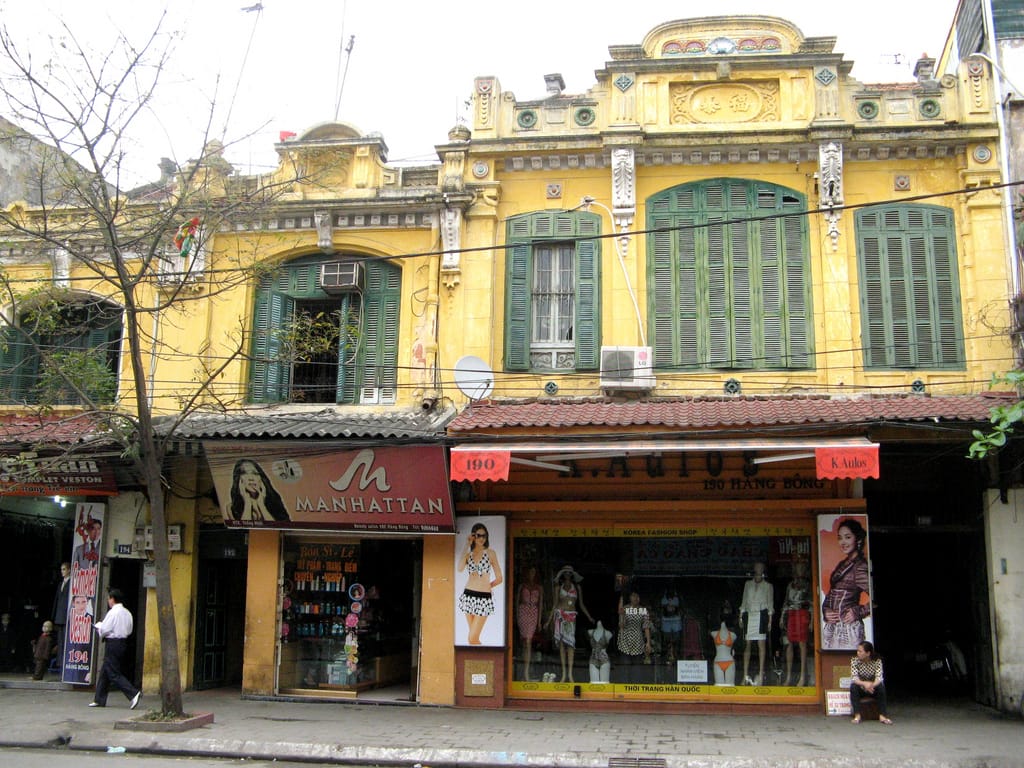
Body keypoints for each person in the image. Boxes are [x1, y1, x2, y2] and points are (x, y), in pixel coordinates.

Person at [822, 518, 870, 650]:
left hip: (849, 630)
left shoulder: (859, 567)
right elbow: (831, 593)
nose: (843, 542)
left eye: (847, 537)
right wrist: (826, 610)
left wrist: (858, 611)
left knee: (849, 663)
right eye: (840, 538)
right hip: (833, 628)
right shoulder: (842, 564)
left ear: (858, 539)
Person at [90, 589, 142, 710]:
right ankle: (99, 699)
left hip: (113, 643)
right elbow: (129, 629)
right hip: (122, 642)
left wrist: (98, 627)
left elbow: (105, 629)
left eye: (109, 598)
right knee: (105, 671)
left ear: (112, 599)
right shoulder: (127, 613)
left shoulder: (113, 612)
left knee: (113, 672)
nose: (108, 601)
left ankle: (133, 693)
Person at [544, 565, 593, 683]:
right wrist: (549, 621)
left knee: (571, 645)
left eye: (569, 573)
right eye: (565, 573)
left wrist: (589, 616)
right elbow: (555, 604)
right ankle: (563, 674)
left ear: (572, 575)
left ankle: (570, 674)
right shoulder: (558, 587)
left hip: (571, 616)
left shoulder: (577, 587)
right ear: (562, 575)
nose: (567, 575)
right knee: (562, 646)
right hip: (560, 615)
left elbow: (580, 604)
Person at [456, 523, 503, 645]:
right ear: (473, 536)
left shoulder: (491, 553)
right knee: (472, 639)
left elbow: (499, 578)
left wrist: (489, 586)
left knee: (472, 638)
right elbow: (460, 568)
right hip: (468, 596)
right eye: (478, 535)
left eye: (484, 536)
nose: (481, 538)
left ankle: (482, 659)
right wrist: (467, 544)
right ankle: (476, 660)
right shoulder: (468, 554)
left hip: (483, 598)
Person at [739, 561, 774, 685]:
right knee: (747, 645)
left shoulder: (768, 586)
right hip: (749, 614)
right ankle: (745, 675)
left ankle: (760, 674)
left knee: (761, 644)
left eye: (761, 567)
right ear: (754, 568)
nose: (758, 569)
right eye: (757, 567)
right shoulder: (748, 584)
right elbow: (744, 601)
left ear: (763, 569)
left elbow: (770, 604)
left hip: (761, 615)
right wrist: (740, 616)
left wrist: (770, 620)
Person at [780, 560, 811, 686]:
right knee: (789, 644)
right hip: (791, 614)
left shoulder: (808, 584)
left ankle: (803, 677)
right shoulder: (790, 585)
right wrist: (782, 617)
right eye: (798, 568)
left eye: (802, 568)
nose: (800, 570)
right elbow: (786, 601)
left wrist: (812, 621)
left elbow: (811, 603)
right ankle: (788, 677)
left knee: (802, 645)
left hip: (802, 614)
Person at [850, 640, 893, 725]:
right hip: (861, 687)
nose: (858, 653)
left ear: (868, 653)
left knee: (881, 687)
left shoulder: (877, 661)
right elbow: (854, 678)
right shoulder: (854, 660)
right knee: (853, 687)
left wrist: (871, 685)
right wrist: (865, 684)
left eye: (860, 651)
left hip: (873, 687)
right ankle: (857, 715)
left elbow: (879, 677)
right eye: (857, 651)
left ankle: (882, 715)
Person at [616, 589, 652, 683]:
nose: (636, 598)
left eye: (637, 596)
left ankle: (636, 687)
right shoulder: (625, 608)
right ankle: (624, 687)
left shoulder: (643, 610)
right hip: (625, 640)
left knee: (637, 667)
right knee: (625, 665)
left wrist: (648, 643)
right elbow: (621, 625)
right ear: (630, 597)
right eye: (634, 596)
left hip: (637, 641)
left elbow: (646, 627)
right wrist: (621, 613)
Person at [516, 565, 543, 680]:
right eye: (530, 572)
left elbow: (541, 604)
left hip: (534, 613)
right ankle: (523, 670)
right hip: (523, 612)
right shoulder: (522, 586)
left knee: (529, 641)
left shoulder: (539, 587)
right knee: (524, 642)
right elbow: (517, 603)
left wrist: (539, 621)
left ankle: (526, 672)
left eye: (534, 572)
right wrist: (516, 617)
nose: (532, 574)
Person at [52, 562, 71, 672]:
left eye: (64, 569)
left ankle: (65, 664)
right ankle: (60, 664)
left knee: (65, 640)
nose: (62, 572)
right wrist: (54, 616)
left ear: (69, 570)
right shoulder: (61, 584)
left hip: (66, 616)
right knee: (60, 641)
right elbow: (56, 600)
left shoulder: (71, 583)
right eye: (61, 569)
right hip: (60, 617)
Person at [710, 618, 737, 685]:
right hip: (718, 662)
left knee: (730, 686)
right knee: (719, 686)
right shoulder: (714, 633)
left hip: (729, 662)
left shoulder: (733, 635)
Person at [660, 584, 682, 662]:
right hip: (666, 621)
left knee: (676, 640)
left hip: (676, 621)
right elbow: (663, 605)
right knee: (667, 640)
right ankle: (668, 655)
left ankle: (675, 655)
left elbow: (677, 605)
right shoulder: (664, 599)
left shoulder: (677, 598)